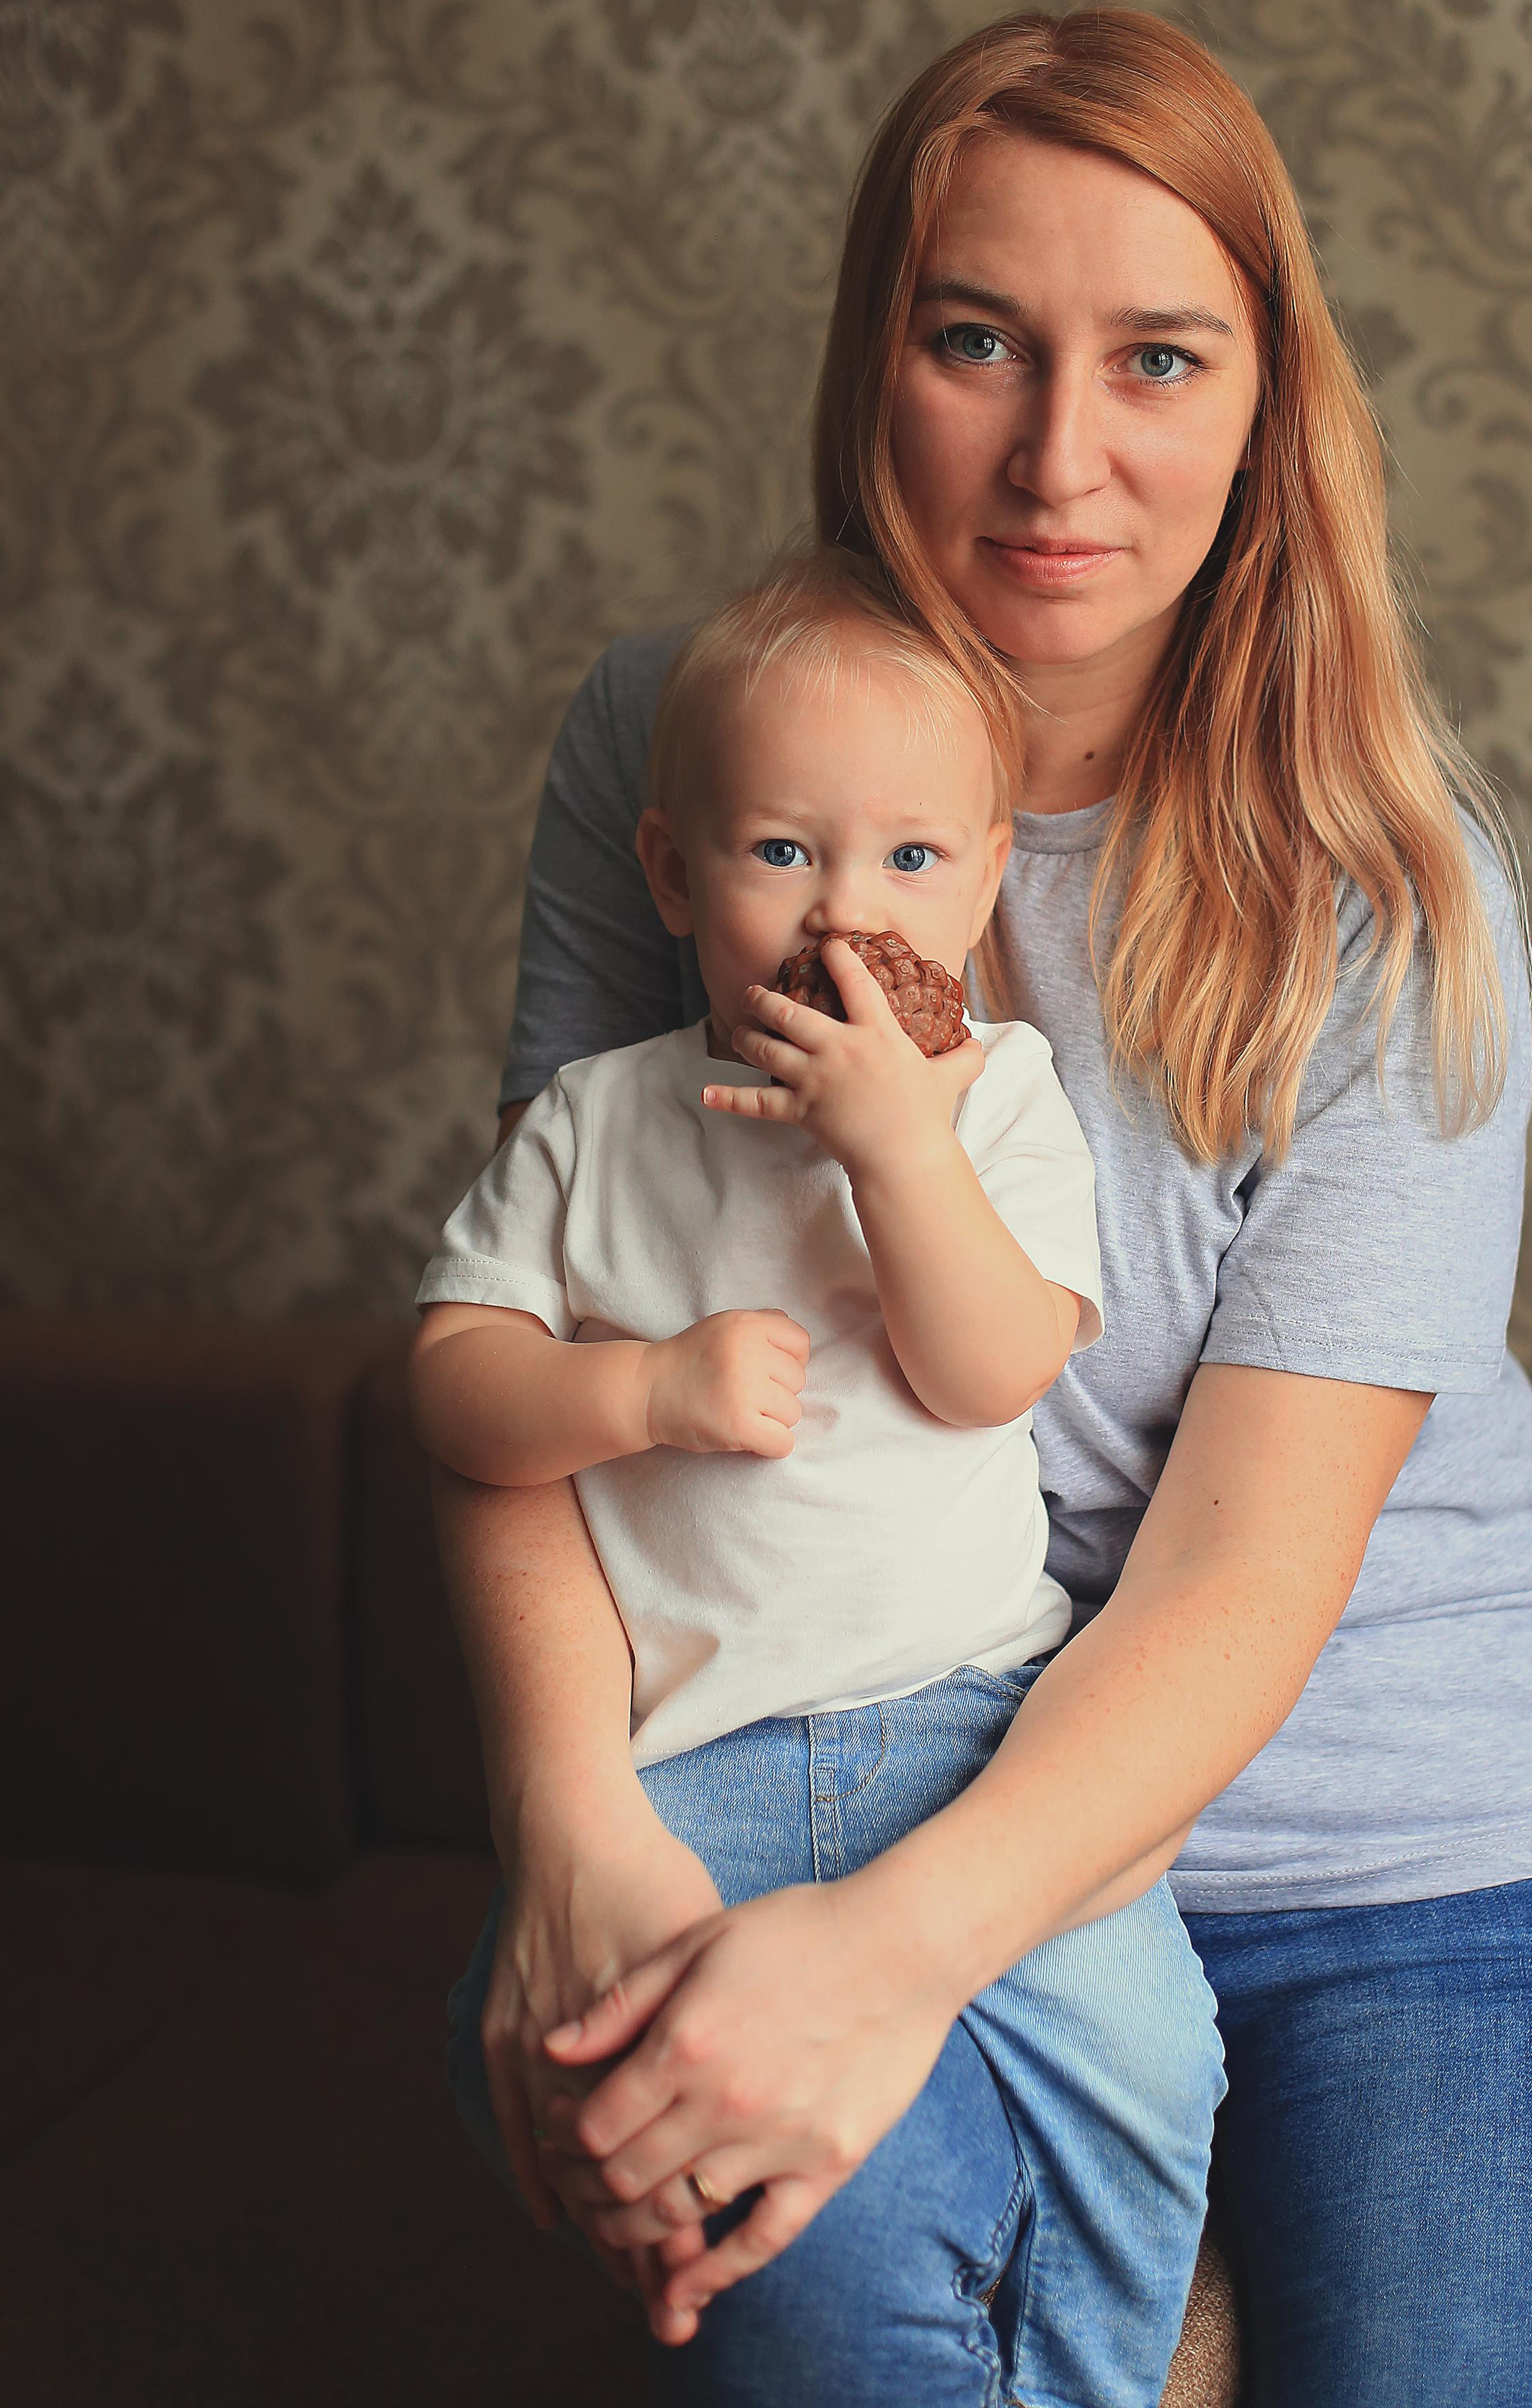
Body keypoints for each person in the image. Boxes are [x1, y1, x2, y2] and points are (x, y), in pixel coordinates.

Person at [435, 8, 1532, 2408]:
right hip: (840, 1745)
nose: (1059, 459)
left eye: (1160, 359)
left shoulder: (1388, 891)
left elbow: (1235, 1589)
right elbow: (541, 1364)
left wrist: (887, 1962)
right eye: (976, 336)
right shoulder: (677, 747)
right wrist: (565, 1828)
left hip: (1394, 1842)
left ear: (1264, 401)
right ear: (870, 353)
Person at [410, 553, 1225, 2408]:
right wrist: (634, 1391)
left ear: (989, 876)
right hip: (681, 1765)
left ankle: (1080, 2365)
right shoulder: (590, 1124)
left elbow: (994, 1363)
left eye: (910, 863)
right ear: (671, 873)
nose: (843, 912)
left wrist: (895, 1154)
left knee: (1150, 2043)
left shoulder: (995, 1098)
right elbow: (457, 1392)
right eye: (782, 854)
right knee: (534, 2042)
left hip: (968, 1724)